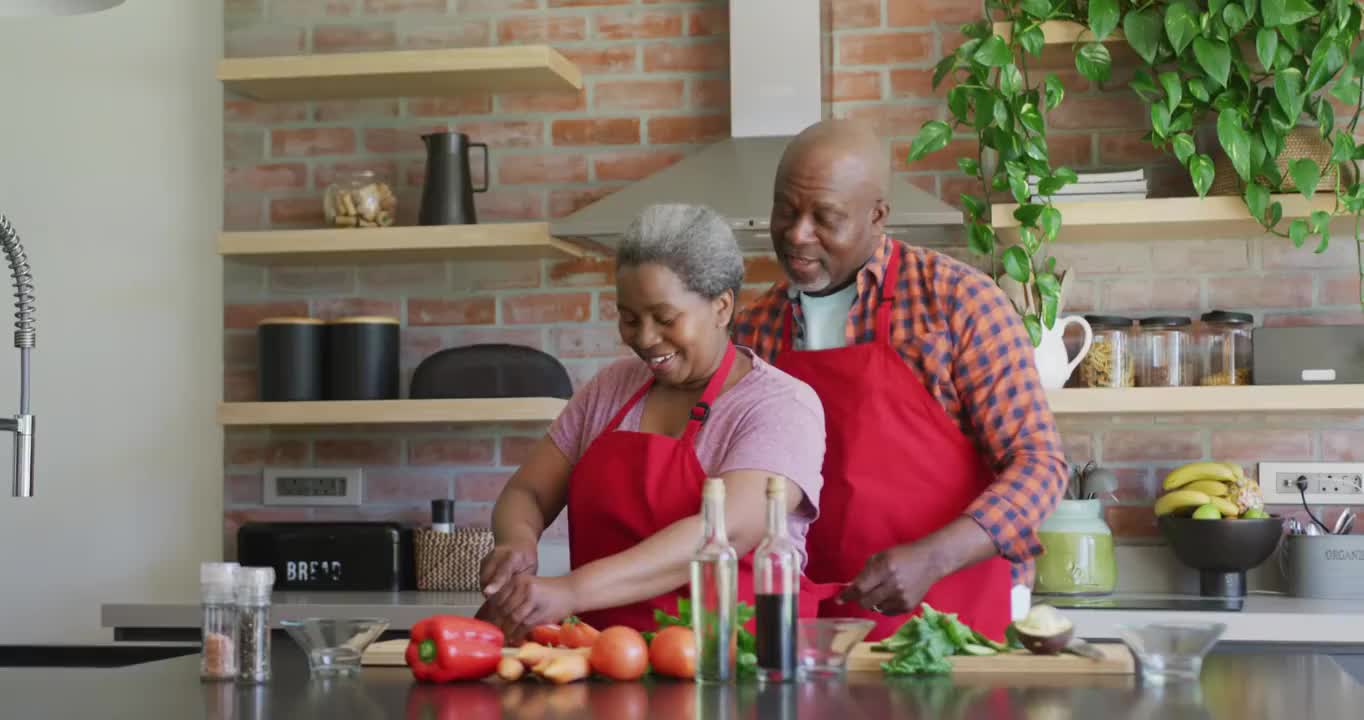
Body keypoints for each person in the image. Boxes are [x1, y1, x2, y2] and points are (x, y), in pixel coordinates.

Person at [732, 119, 1068, 642]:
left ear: (878, 216)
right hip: (808, 634)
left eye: (825, 217)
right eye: (785, 210)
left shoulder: (957, 303)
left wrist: (933, 558)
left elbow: (1040, 466)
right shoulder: (756, 328)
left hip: (954, 630)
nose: (797, 234)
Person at [477, 203, 830, 641]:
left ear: (722, 307)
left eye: (664, 319)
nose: (644, 338)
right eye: (629, 318)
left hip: (734, 664)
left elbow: (722, 531)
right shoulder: (611, 388)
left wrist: (571, 590)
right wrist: (517, 542)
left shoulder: (779, 405)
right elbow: (528, 491)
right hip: (605, 660)